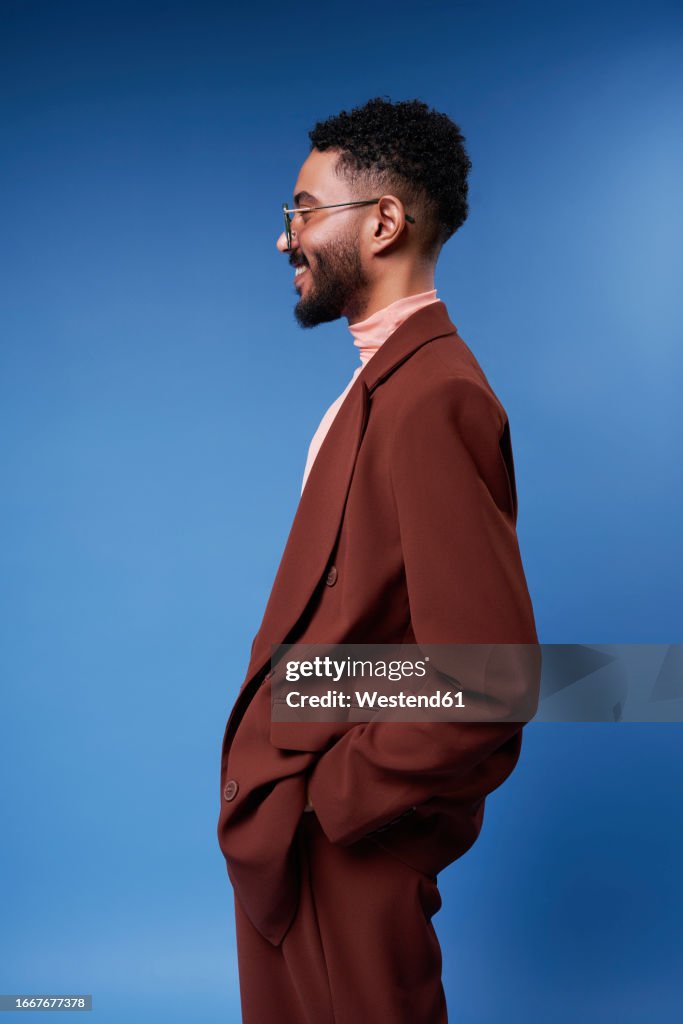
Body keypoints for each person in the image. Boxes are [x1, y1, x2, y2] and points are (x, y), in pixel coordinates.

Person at [217, 97, 538, 1024]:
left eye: (303, 211)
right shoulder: (380, 387)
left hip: (342, 851)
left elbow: (489, 679)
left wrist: (332, 803)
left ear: (384, 221)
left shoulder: (434, 398)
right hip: (297, 851)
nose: (286, 240)